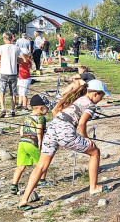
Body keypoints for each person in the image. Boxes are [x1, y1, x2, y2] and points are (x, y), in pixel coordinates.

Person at [17, 78, 110, 209]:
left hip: (52, 129)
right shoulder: (91, 105)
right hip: (65, 132)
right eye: (102, 95)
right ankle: (93, 187)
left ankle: (24, 199)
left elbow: (56, 112)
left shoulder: (78, 98)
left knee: (41, 166)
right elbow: (82, 123)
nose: (101, 98)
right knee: (95, 152)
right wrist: (86, 138)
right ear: (95, 93)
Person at [9, 95, 48, 195]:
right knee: (42, 163)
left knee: (21, 166)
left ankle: (14, 185)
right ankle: (42, 181)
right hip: (32, 143)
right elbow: (39, 131)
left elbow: (21, 130)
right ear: (41, 108)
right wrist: (40, 143)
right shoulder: (41, 118)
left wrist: (23, 138)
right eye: (46, 108)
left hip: (22, 143)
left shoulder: (26, 117)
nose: (48, 110)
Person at [0, 31, 18, 118]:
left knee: (1, 92)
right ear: (11, 38)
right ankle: (12, 110)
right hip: (13, 73)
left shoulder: (1, 47)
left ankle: (3, 109)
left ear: (5, 38)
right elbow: (19, 58)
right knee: (13, 93)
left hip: (3, 72)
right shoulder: (16, 48)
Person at [14, 50, 32, 115]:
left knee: (24, 93)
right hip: (21, 78)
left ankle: (25, 106)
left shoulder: (26, 61)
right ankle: (20, 104)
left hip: (25, 79)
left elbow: (24, 61)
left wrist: (21, 54)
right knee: (20, 92)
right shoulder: (21, 61)